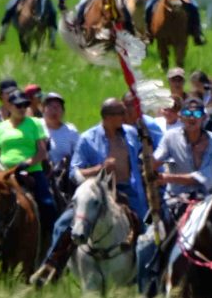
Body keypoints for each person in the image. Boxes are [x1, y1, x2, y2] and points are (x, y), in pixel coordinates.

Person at [32, 98, 150, 286]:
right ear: (108, 116)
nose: (125, 116)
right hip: (96, 191)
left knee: (149, 232)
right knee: (63, 224)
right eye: (121, 113)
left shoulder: (131, 134)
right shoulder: (88, 138)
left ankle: (148, 279)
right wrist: (99, 168)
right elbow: (74, 172)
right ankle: (51, 267)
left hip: (129, 192)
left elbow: (144, 156)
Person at [137, 97, 212, 296]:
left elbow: (210, 177)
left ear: (204, 117)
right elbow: (155, 161)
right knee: (145, 245)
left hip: (208, 205)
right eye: (187, 114)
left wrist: (167, 178)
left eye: (197, 114)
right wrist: (147, 159)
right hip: (175, 203)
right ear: (180, 117)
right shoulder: (170, 138)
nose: (191, 118)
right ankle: (146, 295)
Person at [0, 89, 55, 232]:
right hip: (6, 173)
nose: (23, 108)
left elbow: (42, 151)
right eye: (19, 105)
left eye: (25, 105)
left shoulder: (35, 123)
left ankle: (49, 239)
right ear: (9, 106)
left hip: (31, 171)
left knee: (47, 204)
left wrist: (27, 163)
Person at [41, 91, 80, 167]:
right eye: (50, 107)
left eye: (57, 107)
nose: (54, 111)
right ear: (43, 109)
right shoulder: (36, 126)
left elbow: (79, 154)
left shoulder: (71, 131)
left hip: (64, 170)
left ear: (63, 111)